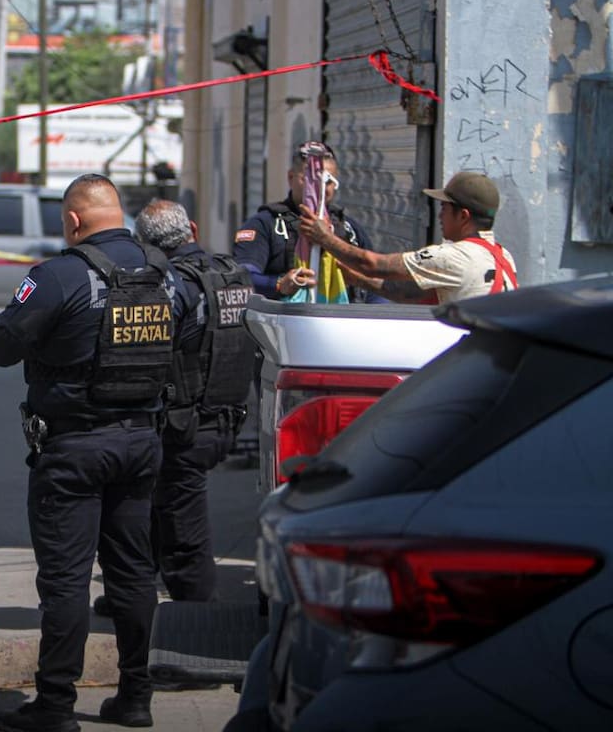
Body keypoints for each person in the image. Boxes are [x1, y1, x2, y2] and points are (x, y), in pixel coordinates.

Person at [0, 174, 185, 732]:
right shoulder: (165, 274)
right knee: (134, 574)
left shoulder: (57, 276)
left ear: (73, 221)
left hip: (73, 446)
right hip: (142, 442)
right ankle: (136, 696)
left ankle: (54, 706)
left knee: (67, 581)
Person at [133, 200, 253, 604]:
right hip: (226, 415)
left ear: (145, 245)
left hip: (184, 423)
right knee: (153, 505)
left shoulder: (171, 286)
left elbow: (151, 352)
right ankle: (128, 592)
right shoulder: (231, 274)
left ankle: (198, 614)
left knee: (182, 524)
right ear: (194, 230)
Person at [297, 171, 518, 303]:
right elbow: (410, 293)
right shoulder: (502, 256)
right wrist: (356, 278)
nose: (439, 215)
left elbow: (373, 263)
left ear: (463, 216)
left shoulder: (453, 257)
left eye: (444, 207)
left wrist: (325, 237)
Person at [233, 141, 378, 301]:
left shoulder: (349, 229)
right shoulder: (266, 224)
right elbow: (242, 277)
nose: (319, 188)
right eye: (310, 180)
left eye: (327, 181)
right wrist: (279, 284)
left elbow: (375, 285)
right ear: (291, 177)